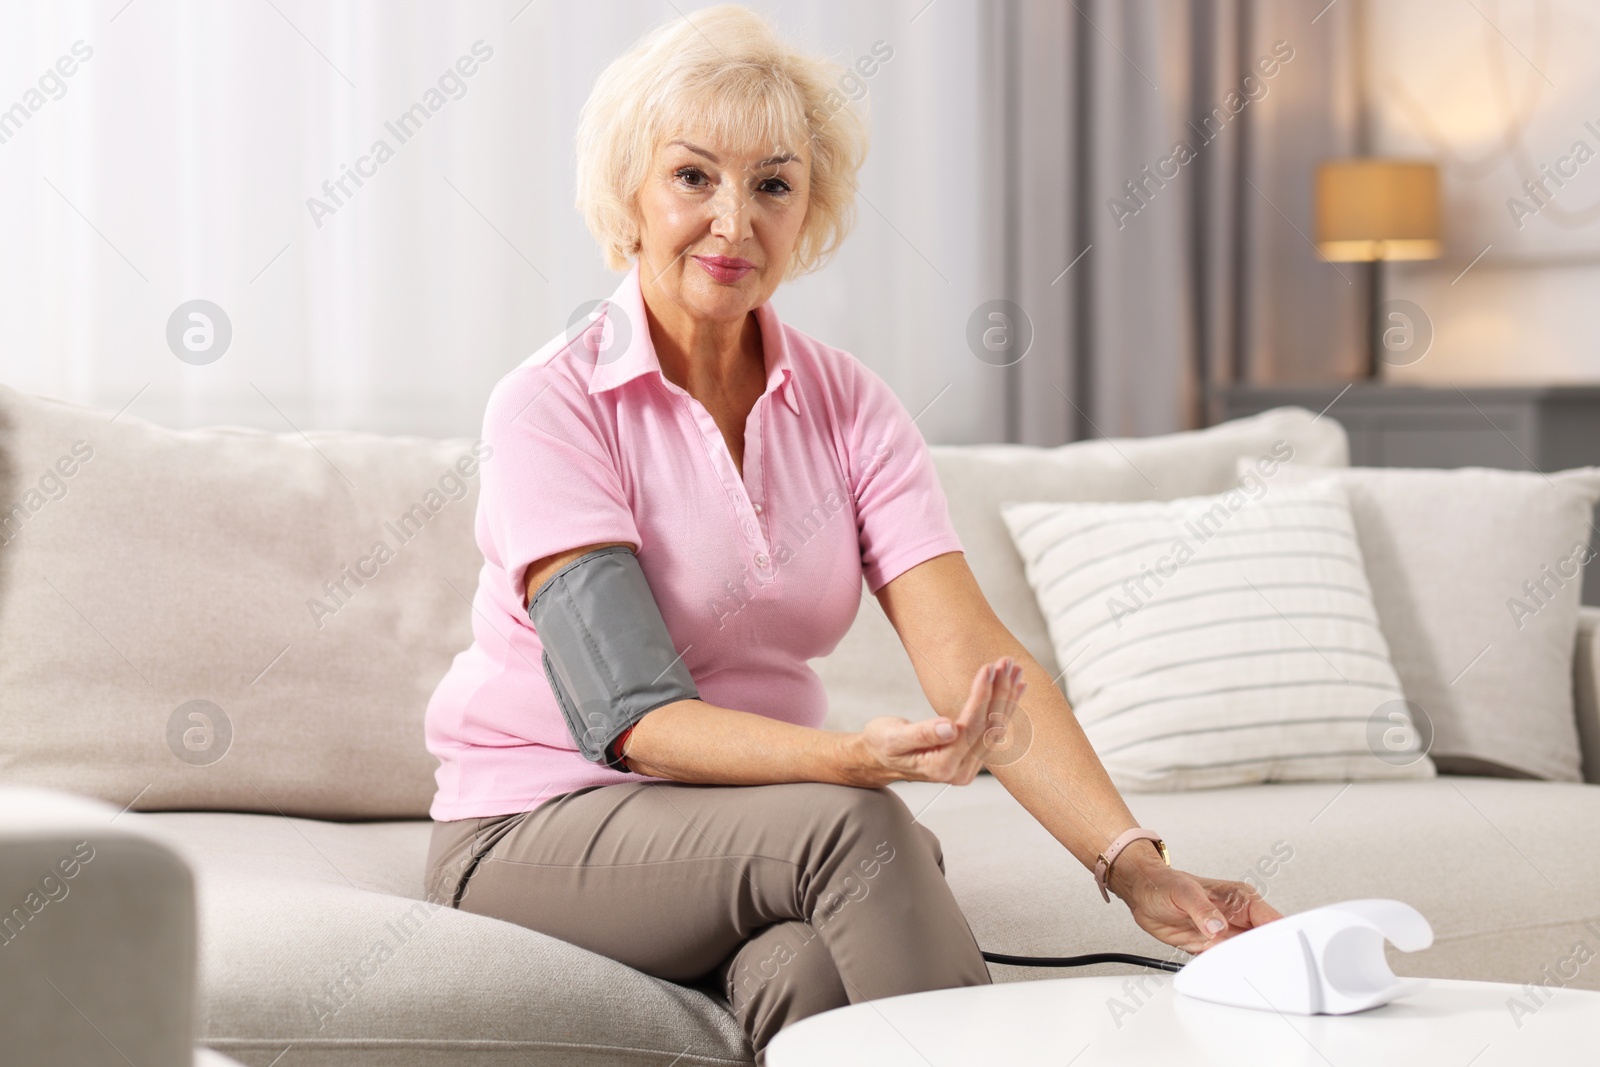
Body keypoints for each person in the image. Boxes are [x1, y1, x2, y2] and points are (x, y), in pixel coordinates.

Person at [422, 5, 1281, 1061]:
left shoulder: (848, 405)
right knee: (864, 833)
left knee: (814, 970)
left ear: (808, 211)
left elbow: (979, 664)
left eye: (772, 185)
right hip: (541, 827)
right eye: (694, 176)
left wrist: (1136, 866)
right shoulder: (552, 404)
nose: (733, 221)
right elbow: (634, 717)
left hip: (753, 836)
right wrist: (851, 762)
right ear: (630, 192)